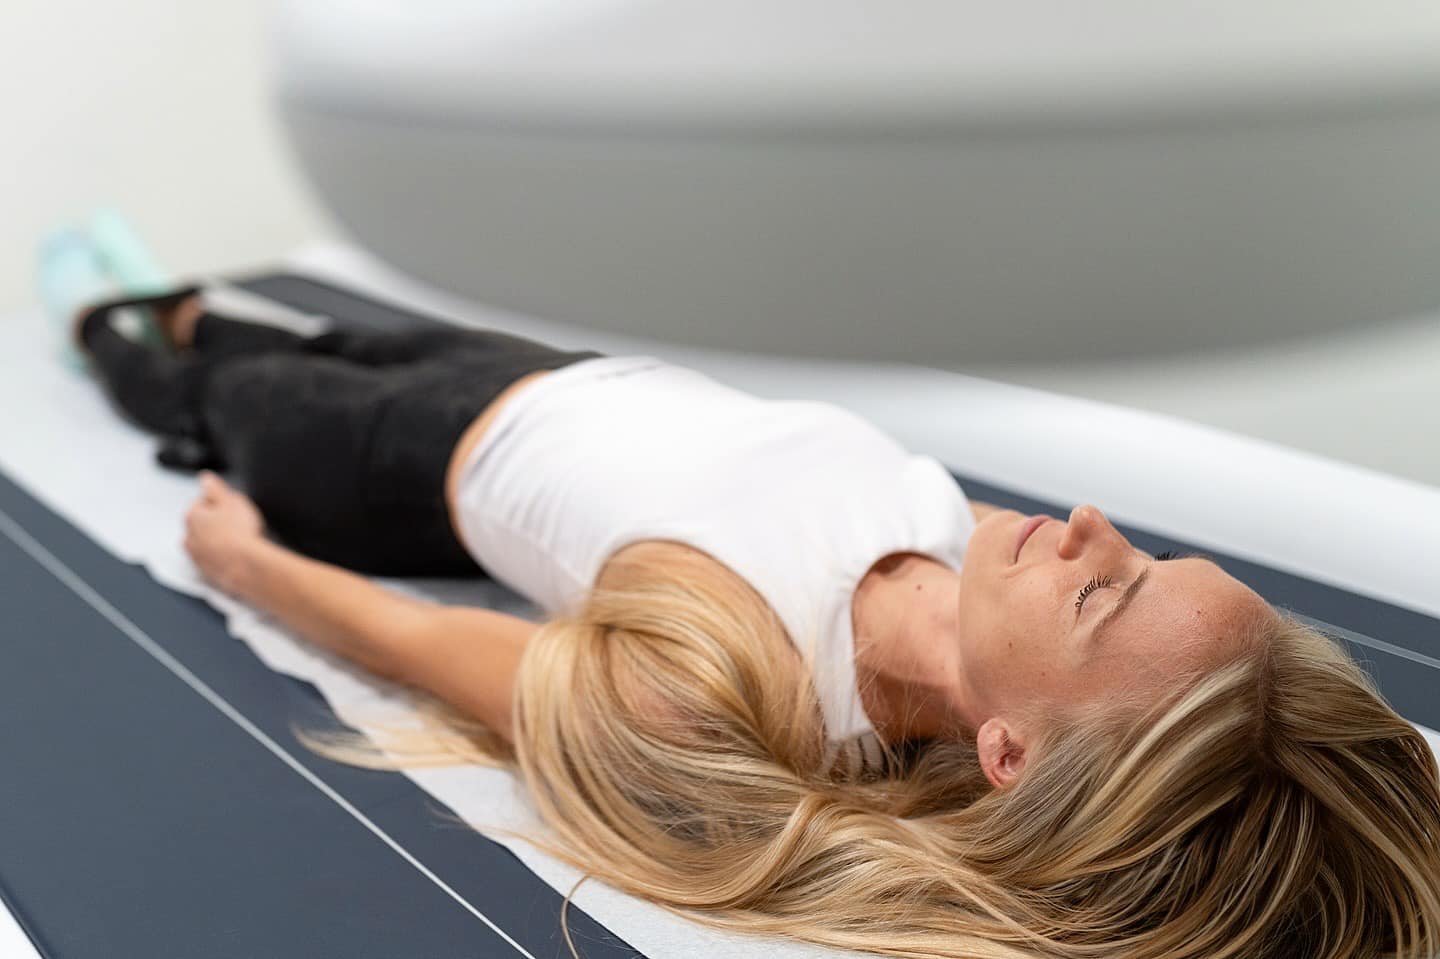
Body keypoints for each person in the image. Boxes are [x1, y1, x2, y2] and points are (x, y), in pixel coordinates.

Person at [68, 281, 1440, 959]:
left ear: (1011, 753)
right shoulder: (971, 559)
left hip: (391, 461)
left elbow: (441, 652)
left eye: (1099, 594)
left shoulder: (736, 683)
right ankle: (195, 312)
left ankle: (117, 322)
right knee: (275, 322)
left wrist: (251, 566)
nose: (1086, 524)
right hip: (569, 377)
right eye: (1146, 555)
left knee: (198, 381)